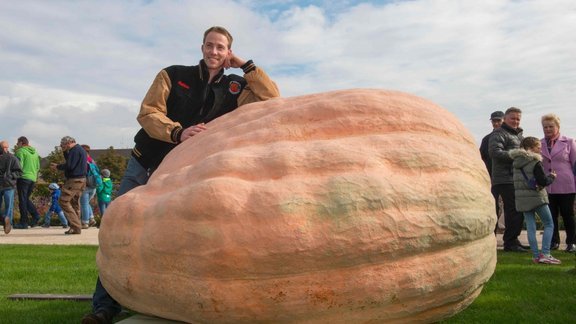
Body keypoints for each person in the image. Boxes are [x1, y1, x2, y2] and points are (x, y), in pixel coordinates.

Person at [82, 25, 280, 324]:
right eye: (210, 45)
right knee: (120, 233)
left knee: (176, 236)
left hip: (182, 175)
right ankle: (104, 308)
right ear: (201, 48)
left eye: (221, 48)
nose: (214, 51)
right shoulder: (172, 75)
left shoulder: (234, 88)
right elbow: (149, 113)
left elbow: (271, 100)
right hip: (146, 163)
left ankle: (165, 299)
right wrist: (177, 132)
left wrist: (246, 65)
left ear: (228, 52)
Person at [510, 137, 560, 264]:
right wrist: (552, 177)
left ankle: (536, 256)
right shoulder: (535, 162)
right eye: (538, 147)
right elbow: (543, 181)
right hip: (537, 197)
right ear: (530, 149)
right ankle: (546, 254)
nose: (541, 150)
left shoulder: (516, 162)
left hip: (522, 199)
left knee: (530, 227)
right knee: (549, 224)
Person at [489, 107, 527, 252]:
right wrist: (517, 154)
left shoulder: (519, 136)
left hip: (515, 178)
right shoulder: (499, 133)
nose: (516, 121)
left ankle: (513, 240)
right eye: (513, 118)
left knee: (517, 210)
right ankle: (510, 243)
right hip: (504, 178)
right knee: (512, 210)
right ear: (505, 119)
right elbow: (494, 152)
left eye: (518, 119)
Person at [540, 113, 576, 252]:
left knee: (568, 215)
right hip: (547, 186)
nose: (547, 129)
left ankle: (571, 242)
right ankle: (553, 241)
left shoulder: (569, 142)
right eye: (545, 127)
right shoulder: (539, 143)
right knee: (550, 216)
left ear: (558, 126)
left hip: (566, 185)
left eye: (551, 126)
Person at [51, 136, 87, 235]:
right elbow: (70, 162)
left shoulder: (74, 151)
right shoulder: (79, 150)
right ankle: (75, 228)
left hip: (74, 180)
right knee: (74, 203)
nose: (61, 146)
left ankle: (76, 226)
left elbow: (70, 166)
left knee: (63, 201)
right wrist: (64, 152)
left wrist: (57, 166)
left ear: (68, 143)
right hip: (82, 179)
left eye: (62, 144)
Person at [479, 110, 506, 233]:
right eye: (494, 121)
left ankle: (511, 239)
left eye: (498, 121)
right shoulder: (486, 139)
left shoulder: (510, 137)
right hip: (491, 178)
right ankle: (492, 234)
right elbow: (481, 158)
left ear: (504, 120)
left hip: (508, 177)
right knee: (492, 206)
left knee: (511, 209)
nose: (496, 124)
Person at [13, 136, 41, 229]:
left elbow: (18, 166)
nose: (17, 145)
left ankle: (23, 222)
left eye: (18, 143)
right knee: (25, 199)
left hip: (23, 178)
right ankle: (36, 216)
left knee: (22, 200)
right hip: (32, 178)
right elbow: (37, 167)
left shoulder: (20, 151)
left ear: (21, 143)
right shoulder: (35, 153)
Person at [0, 140, 23, 234]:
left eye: (6, 147)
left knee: (9, 206)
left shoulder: (13, 158)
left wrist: (9, 176)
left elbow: (19, 172)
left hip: (9, 185)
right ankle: (5, 219)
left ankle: (8, 224)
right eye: (3, 147)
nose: (5, 149)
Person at [80, 144, 98, 228]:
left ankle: (85, 222)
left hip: (86, 185)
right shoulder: (92, 160)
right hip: (94, 186)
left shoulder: (83, 160)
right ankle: (91, 219)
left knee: (83, 204)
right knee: (86, 203)